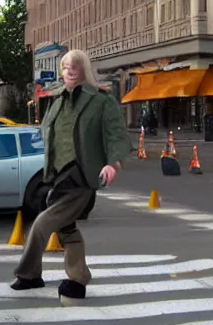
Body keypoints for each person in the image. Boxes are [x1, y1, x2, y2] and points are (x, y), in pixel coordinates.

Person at [10, 49, 132, 304]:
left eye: (75, 67)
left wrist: (112, 163)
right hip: (58, 177)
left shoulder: (100, 101)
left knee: (41, 226)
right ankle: (77, 279)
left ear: (84, 70)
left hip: (81, 176)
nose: (70, 70)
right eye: (65, 67)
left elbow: (115, 134)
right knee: (67, 231)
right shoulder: (57, 101)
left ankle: (29, 274)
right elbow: (48, 134)